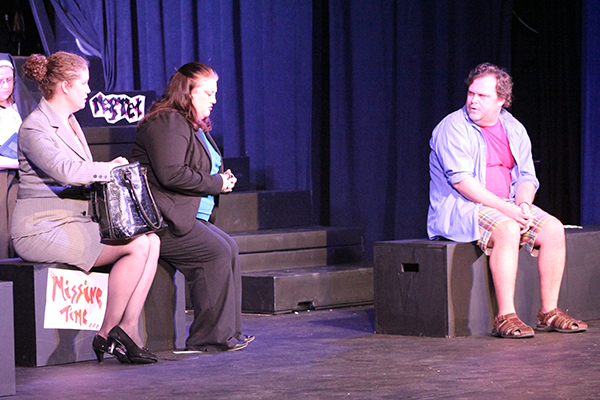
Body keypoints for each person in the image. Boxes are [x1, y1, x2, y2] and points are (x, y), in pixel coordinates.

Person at [11, 51, 160, 363]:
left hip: (74, 221)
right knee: (137, 246)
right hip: (41, 229)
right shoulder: (35, 127)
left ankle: (128, 327)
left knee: (152, 240)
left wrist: (109, 170)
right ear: (65, 86)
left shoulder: (70, 121)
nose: (89, 90)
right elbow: (65, 171)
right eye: (84, 83)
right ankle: (106, 332)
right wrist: (108, 169)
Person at [427, 62, 587, 338]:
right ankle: (505, 316)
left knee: (552, 228)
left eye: (482, 96)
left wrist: (523, 205)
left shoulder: (513, 128)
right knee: (508, 228)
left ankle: (549, 311)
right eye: (471, 93)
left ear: (501, 100)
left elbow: (526, 176)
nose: (473, 100)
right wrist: (508, 211)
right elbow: (462, 183)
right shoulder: (452, 128)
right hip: (465, 207)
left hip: (508, 203)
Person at [131, 62, 253, 353]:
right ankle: (208, 339)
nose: (214, 100)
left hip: (185, 217)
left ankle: (228, 333)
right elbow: (171, 174)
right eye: (208, 93)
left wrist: (222, 179)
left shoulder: (191, 124)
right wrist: (215, 183)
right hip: (163, 220)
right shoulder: (167, 121)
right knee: (217, 251)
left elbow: (196, 167)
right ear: (188, 92)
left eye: (215, 93)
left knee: (229, 247)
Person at [0, 53, 36, 258]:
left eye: (9, 80)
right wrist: (19, 163)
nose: (5, 86)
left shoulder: (19, 107)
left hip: (20, 179)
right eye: (0, 81)